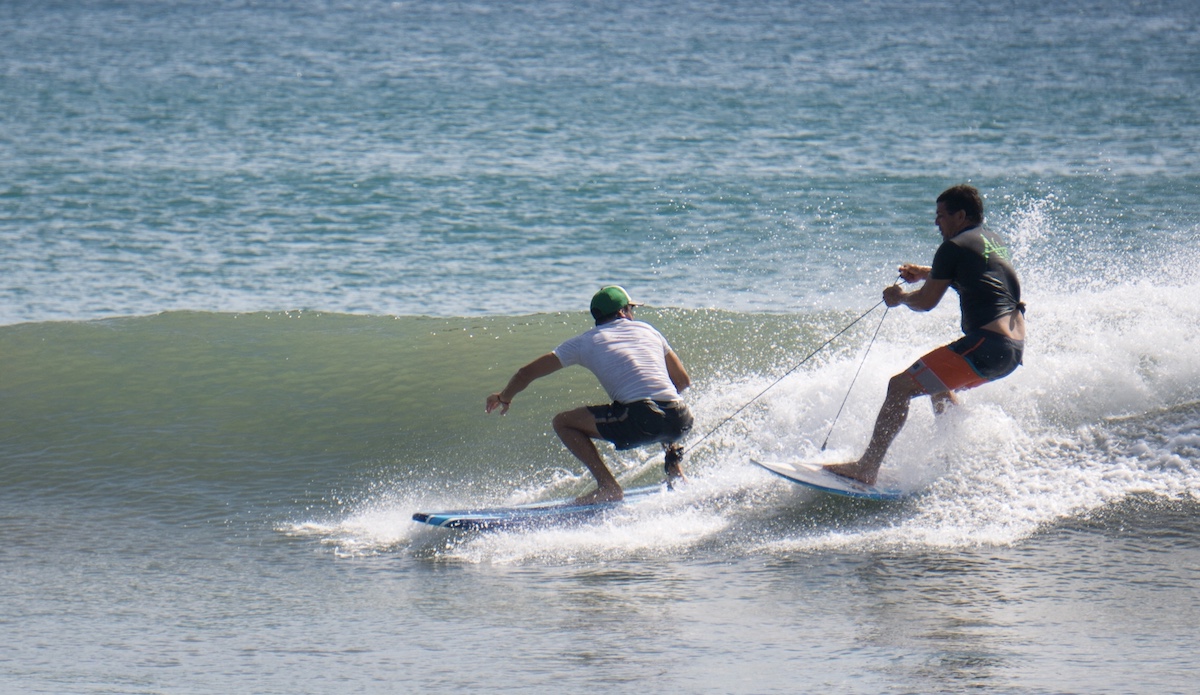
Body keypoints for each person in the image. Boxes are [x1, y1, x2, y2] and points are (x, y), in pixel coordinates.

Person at [825, 184, 1026, 485]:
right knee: (938, 387)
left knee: (900, 386)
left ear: (960, 215)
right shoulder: (992, 241)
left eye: (941, 216)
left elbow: (927, 302)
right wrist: (924, 272)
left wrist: (901, 297)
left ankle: (867, 467)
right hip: (1011, 350)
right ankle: (956, 464)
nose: (936, 223)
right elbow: (972, 274)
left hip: (987, 344)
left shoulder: (953, 247)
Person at [485, 286, 694, 504]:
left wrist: (504, 396)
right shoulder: (649, 331)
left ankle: (608, 486)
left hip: (639, 419)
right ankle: (676, 473)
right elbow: (682, 381)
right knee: (663, 406)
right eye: (631, 308)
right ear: (623, 312)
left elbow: (525, 373)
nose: (633, 314)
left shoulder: (586, 341)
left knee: (563, 422)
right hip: (682, 420)